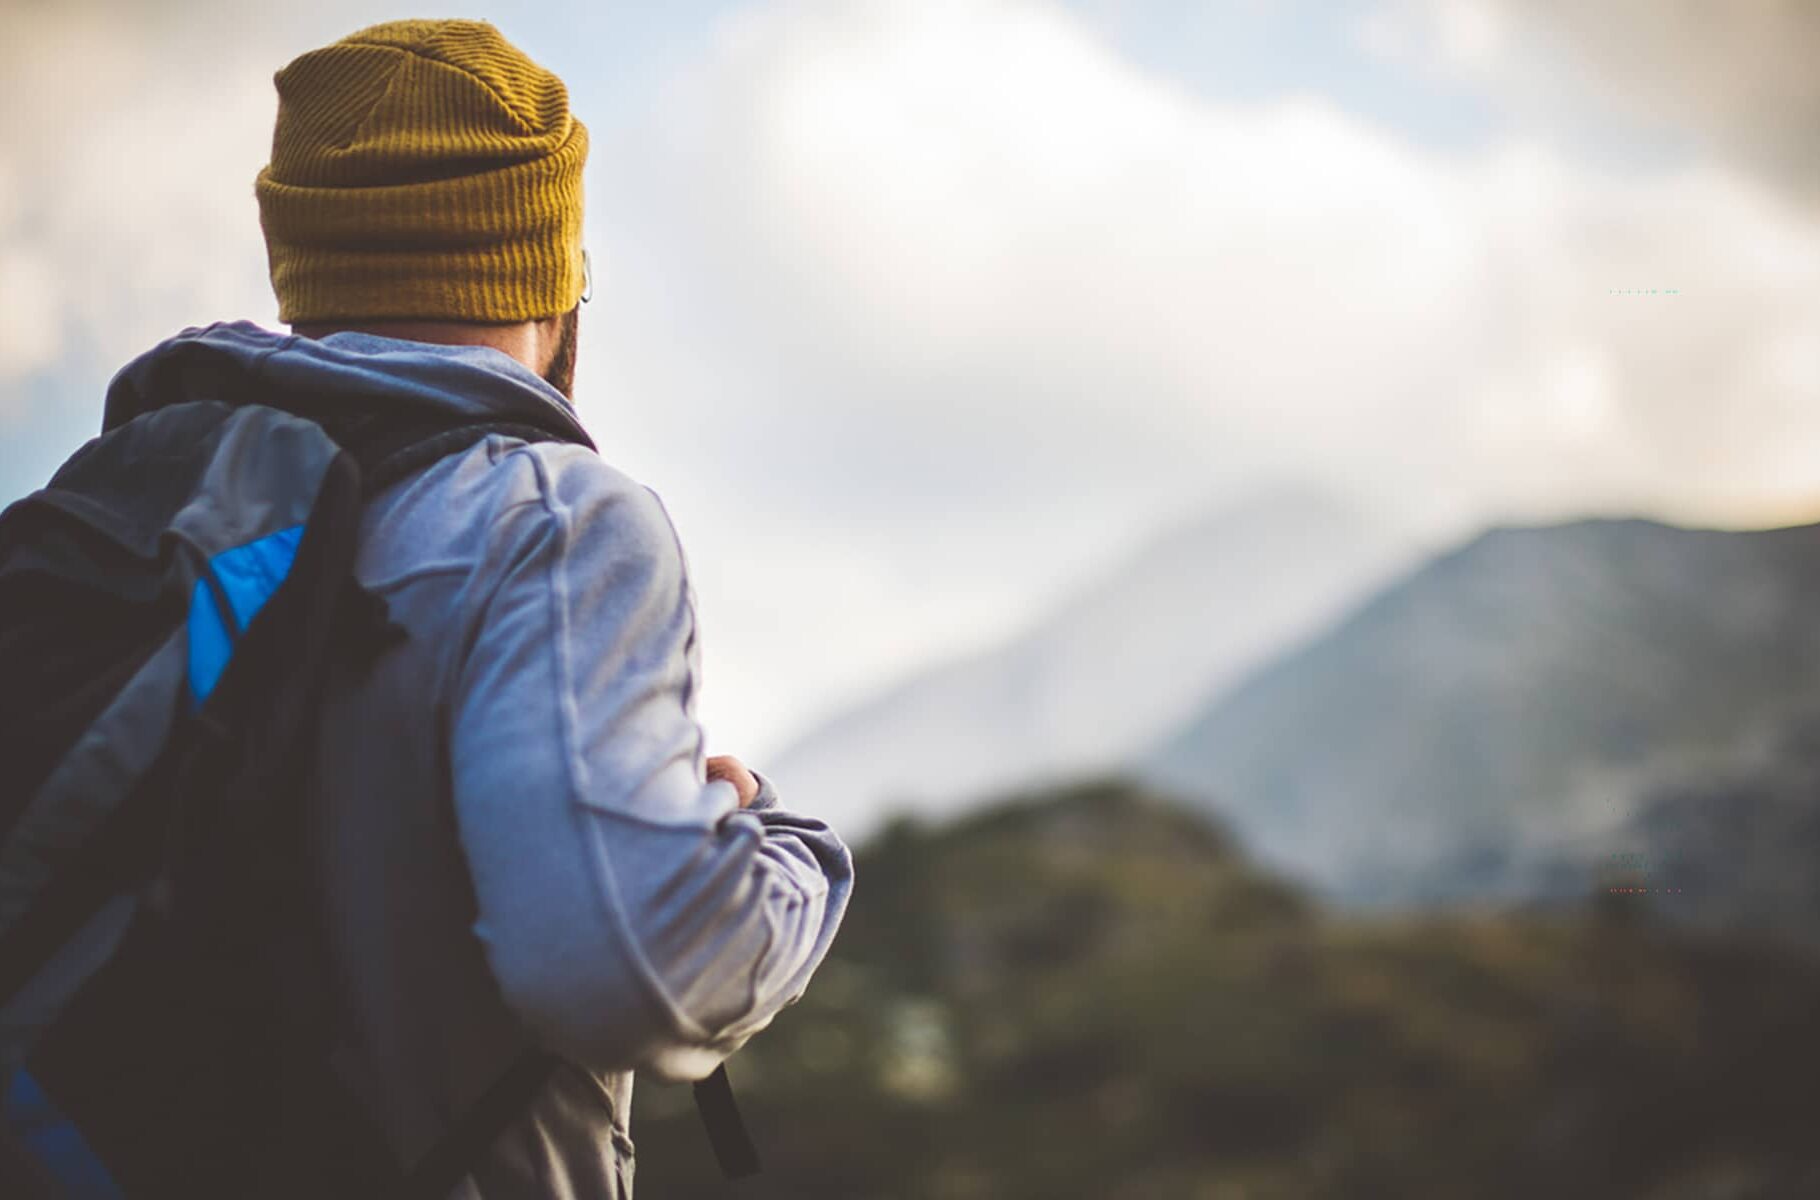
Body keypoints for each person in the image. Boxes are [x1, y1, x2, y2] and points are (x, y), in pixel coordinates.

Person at [133, 18, 852, 1197]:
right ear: (555, 280)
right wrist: (782, 852)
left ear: (301, 260)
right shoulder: (549, 521)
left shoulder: (141, 513)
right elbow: (623, 965)